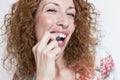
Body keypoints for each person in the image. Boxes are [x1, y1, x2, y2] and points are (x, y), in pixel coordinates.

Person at [2, 0, 115, 80]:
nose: (65, 22)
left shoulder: (99, 60)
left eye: (70, 14)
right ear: (31, 19)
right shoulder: (22, 77)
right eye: (52, 10)